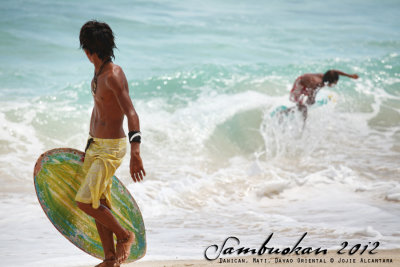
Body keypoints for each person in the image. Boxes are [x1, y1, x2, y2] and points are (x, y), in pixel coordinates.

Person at [74, 20, 146, 267]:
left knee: (85, 201)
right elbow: (98, 112)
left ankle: (125, 236)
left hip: (112, 148)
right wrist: (89, 147)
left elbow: (131, 112)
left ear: (88, 50)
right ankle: (110, 259)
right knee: (99, 201)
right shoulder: (98, 71)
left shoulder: (113, 74)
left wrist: (136, 151)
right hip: (96, 146)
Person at [289, 70, 359, 120]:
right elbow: (311, 98)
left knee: (305, 106)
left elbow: (335, 71)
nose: (336, 83)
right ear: (330, 81)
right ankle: (285, 114)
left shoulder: (325, 77)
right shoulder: (317, 84)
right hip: (300, 84)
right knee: (303, 108)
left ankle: (297, 115)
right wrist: (311, 100)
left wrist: (350, 76)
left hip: (308, 83)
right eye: (335, 82)